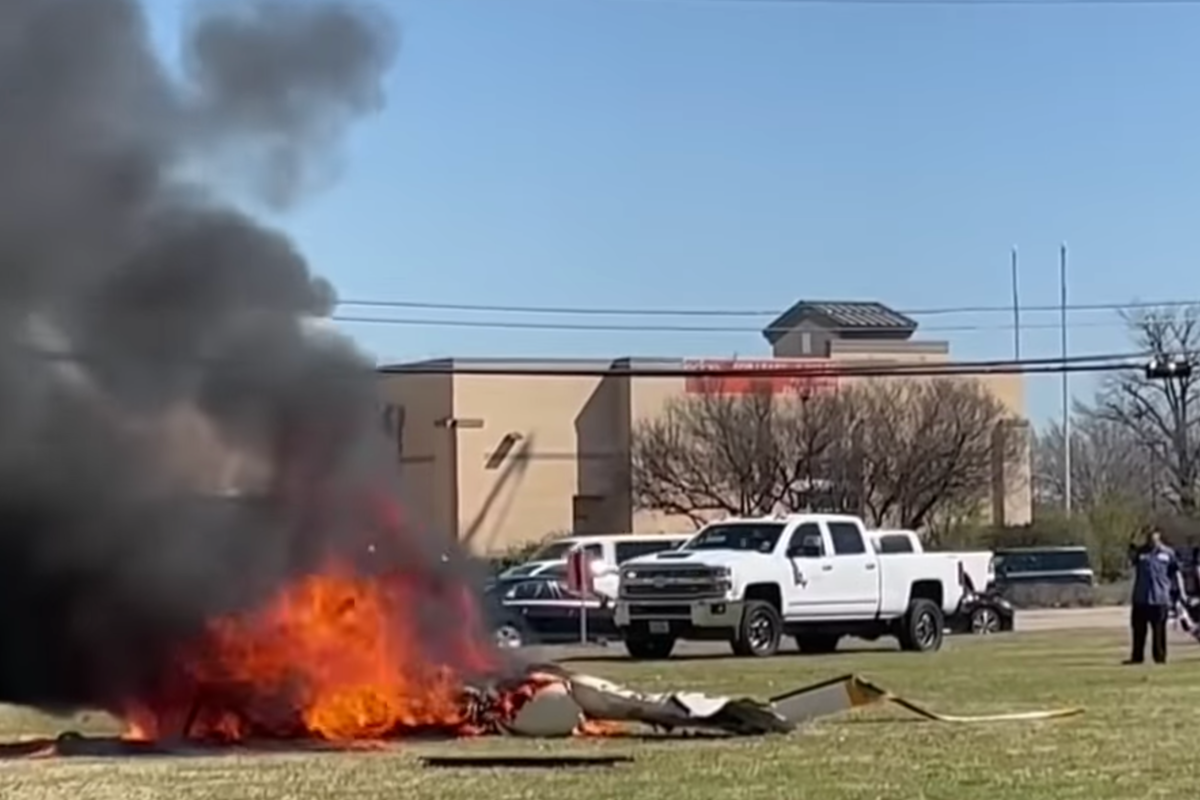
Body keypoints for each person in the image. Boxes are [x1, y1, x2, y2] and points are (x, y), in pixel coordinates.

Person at [1126, 528, 1186, 664]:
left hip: (1160, 598)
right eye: (1149, 538)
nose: (1152, 541)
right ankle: (1137, 658)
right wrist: (1132, 542)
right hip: (1141, 598)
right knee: (1138, 631)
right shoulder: (1141, 553)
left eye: (1154, 538)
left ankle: (1160, 657)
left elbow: (1176, 573)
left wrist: (1181, 592)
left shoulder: (1168, 553)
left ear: (1159, 537)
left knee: (1159, 631)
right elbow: (1130, 561)